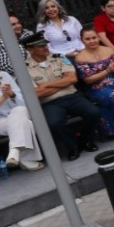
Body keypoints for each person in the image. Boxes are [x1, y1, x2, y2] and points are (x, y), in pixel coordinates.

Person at [23, 31, 101, 161]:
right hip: (49, 102)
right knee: (54, 123)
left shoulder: (59, 57)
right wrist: (61, 83)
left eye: (45, 44)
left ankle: (85, 141)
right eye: (40, 46)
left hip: (72, 96)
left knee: (93, 112)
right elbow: (36, 93)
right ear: (30, 49)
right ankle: (72, 147)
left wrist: (46, 85)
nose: (45, 47)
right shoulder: (24, 68)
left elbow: (72, 79)